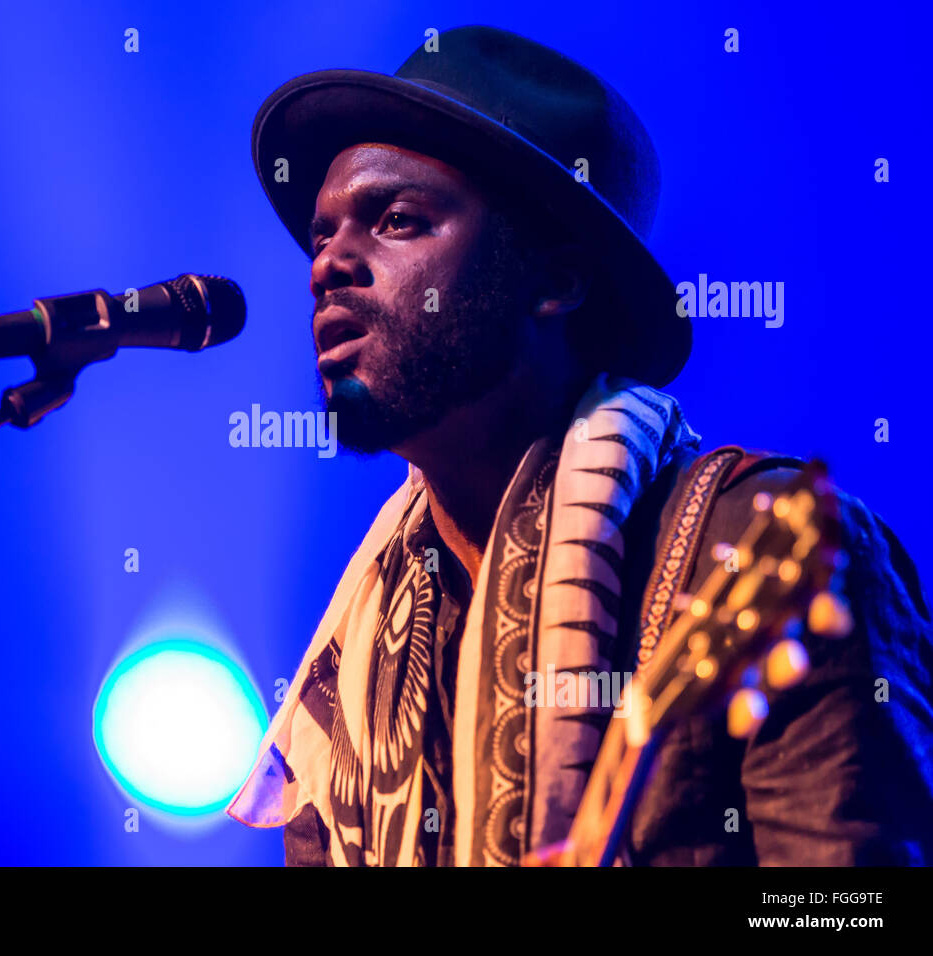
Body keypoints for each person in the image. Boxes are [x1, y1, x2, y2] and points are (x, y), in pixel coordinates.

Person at [225, 25, 933, 866]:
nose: (328, 265)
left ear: (557, 279)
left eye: (397, 220)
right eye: (322, 236)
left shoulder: (758, 547)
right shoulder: (353, 663)